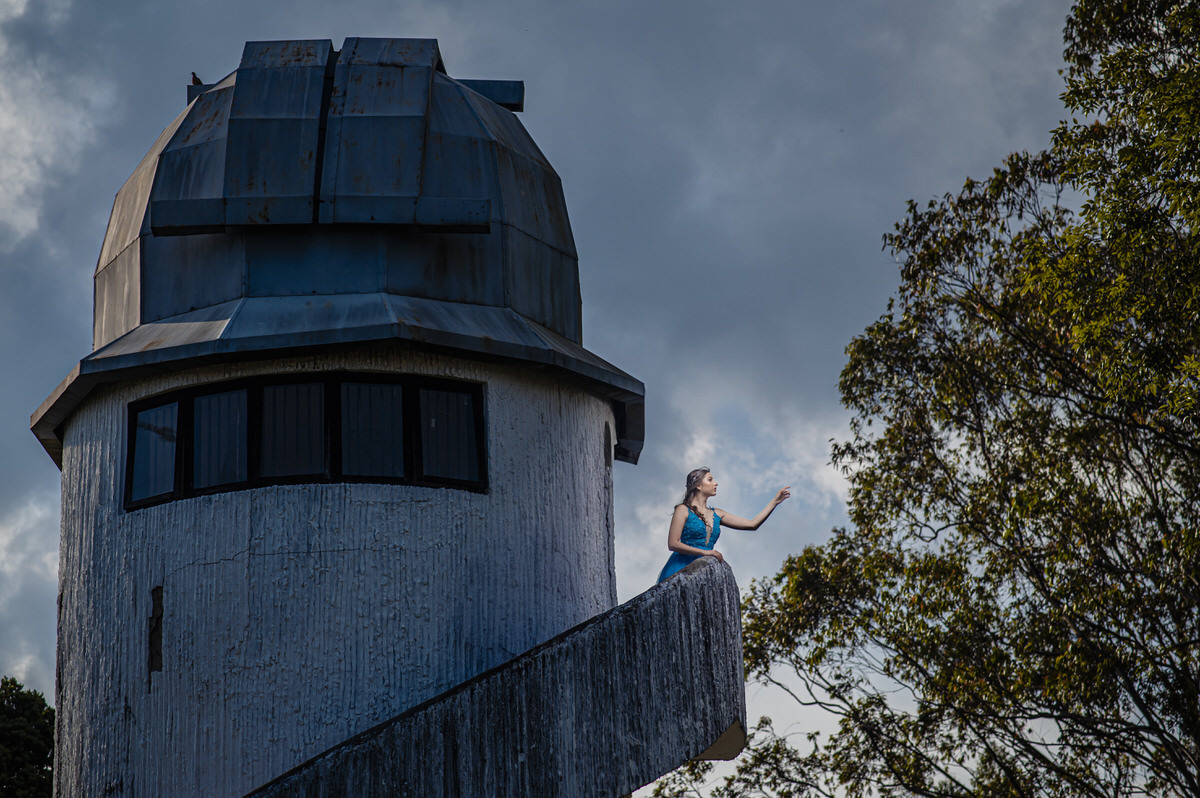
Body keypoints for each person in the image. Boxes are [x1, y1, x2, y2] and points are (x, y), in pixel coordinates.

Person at [656, 466, 790, 583]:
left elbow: (752, 524)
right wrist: (706, 552)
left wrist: (774, 502)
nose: (716, 483)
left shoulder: (718, 514)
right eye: (710, 480)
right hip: (680, 568)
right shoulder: (683, 509)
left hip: (705, 570)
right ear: (698, 485)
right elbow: (673, 544)